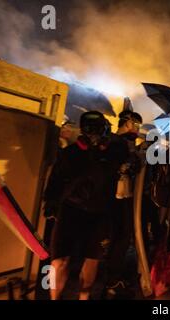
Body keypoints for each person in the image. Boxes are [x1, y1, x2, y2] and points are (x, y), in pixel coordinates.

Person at [44, 111, 127, 300]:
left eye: (97, 129)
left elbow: (123, 170)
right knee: (59, 261)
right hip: (70, 211)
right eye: (91, 129)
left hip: (99, 214)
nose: (95, 134)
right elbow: (55, 180)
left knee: (92, 260)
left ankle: (84, 297)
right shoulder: (70, 154)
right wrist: (50, 202)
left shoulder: (113, 155)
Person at [104, 110, 143, 298]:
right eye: (136, 125)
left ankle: (111, 277)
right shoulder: (114, 143)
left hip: (123, 194)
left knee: (120, 236)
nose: (137, 129)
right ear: (127, 123)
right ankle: (111, 279)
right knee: (120, 236)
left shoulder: (124, 143)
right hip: (115, 197)